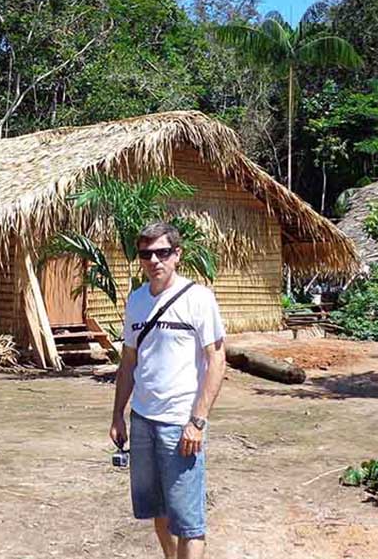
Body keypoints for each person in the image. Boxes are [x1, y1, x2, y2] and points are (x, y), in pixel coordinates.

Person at [109, 221, 226, 559]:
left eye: (162, 252)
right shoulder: (136, 301)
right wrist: (118, 414)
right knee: (156, 509)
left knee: (188, 521)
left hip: (181, 424)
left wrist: (198, 421)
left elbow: (217, 361)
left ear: (177, 255)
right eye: (146, 254)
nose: (154, 261)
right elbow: (128, 362)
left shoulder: (199, 299)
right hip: (143, 420)